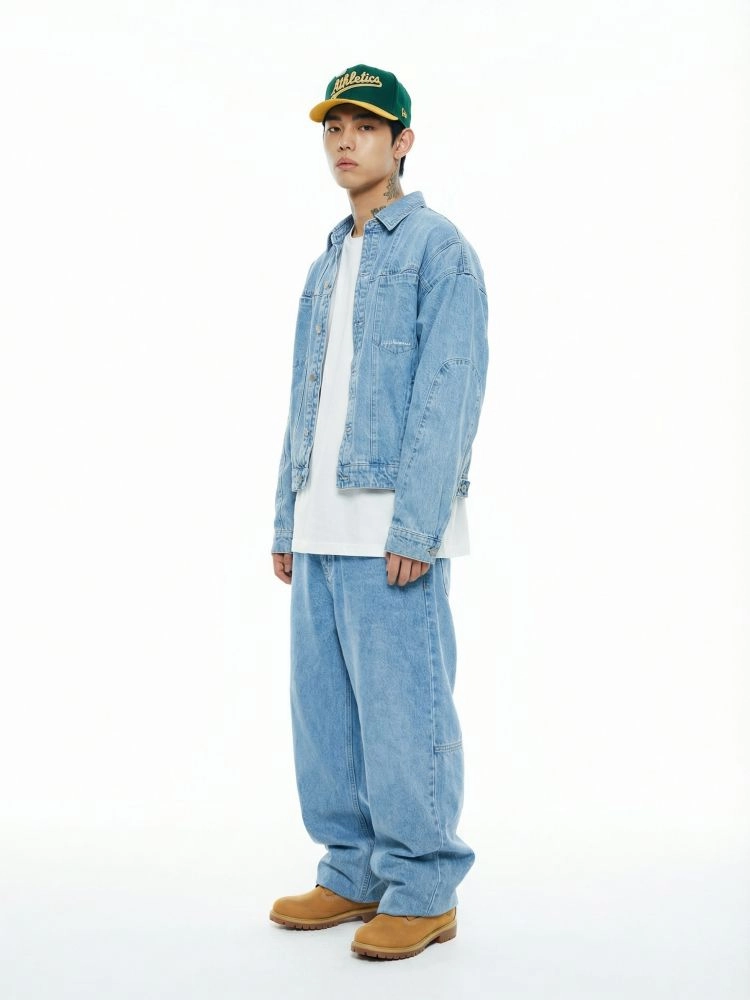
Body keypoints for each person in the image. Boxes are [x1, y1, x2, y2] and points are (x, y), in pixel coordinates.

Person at [269, 63, 489, 961]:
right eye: (334, 128)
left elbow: (451, 388)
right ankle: (352, 870)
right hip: (320, 523)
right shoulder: (327, 261)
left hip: (393, 527)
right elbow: (304, 399)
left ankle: (425, 886)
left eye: (363, 127)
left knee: (405, 716)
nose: (344, 142)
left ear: (402, 142)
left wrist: (418, 524)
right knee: (324, 717)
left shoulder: (439, 249)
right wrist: (285, 517)